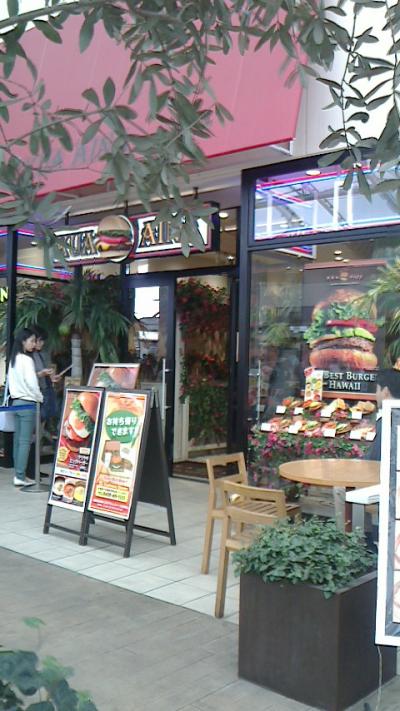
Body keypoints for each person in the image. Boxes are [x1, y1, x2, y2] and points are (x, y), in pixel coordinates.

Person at [8, 328, 43, 486]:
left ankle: (18, 474)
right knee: (24, 442)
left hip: (16, 403)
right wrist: (39, 397)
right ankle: (20, 476)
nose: (34, 344)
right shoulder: (27, 360)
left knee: (18, 441)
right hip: (28, 403)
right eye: (32, 341)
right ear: (23, 341)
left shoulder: (13, 359)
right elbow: (32, 383)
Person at [365, 368, 400, 461]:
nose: (376, 395)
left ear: (385, 391)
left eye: (377, 390)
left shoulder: (387, 422)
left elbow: (375, 461)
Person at [31, 326, 58, 438]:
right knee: (37, 419)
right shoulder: (27, 356)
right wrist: (40, 374)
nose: (41, 343)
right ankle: (37, 441)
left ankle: (41, 439)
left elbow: (48, 370)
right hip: (37, 392)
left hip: (47, 389)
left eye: (42, 341)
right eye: (39, 340)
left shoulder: (43, 354)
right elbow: (27, 376)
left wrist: (53, 377)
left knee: (46, 416)